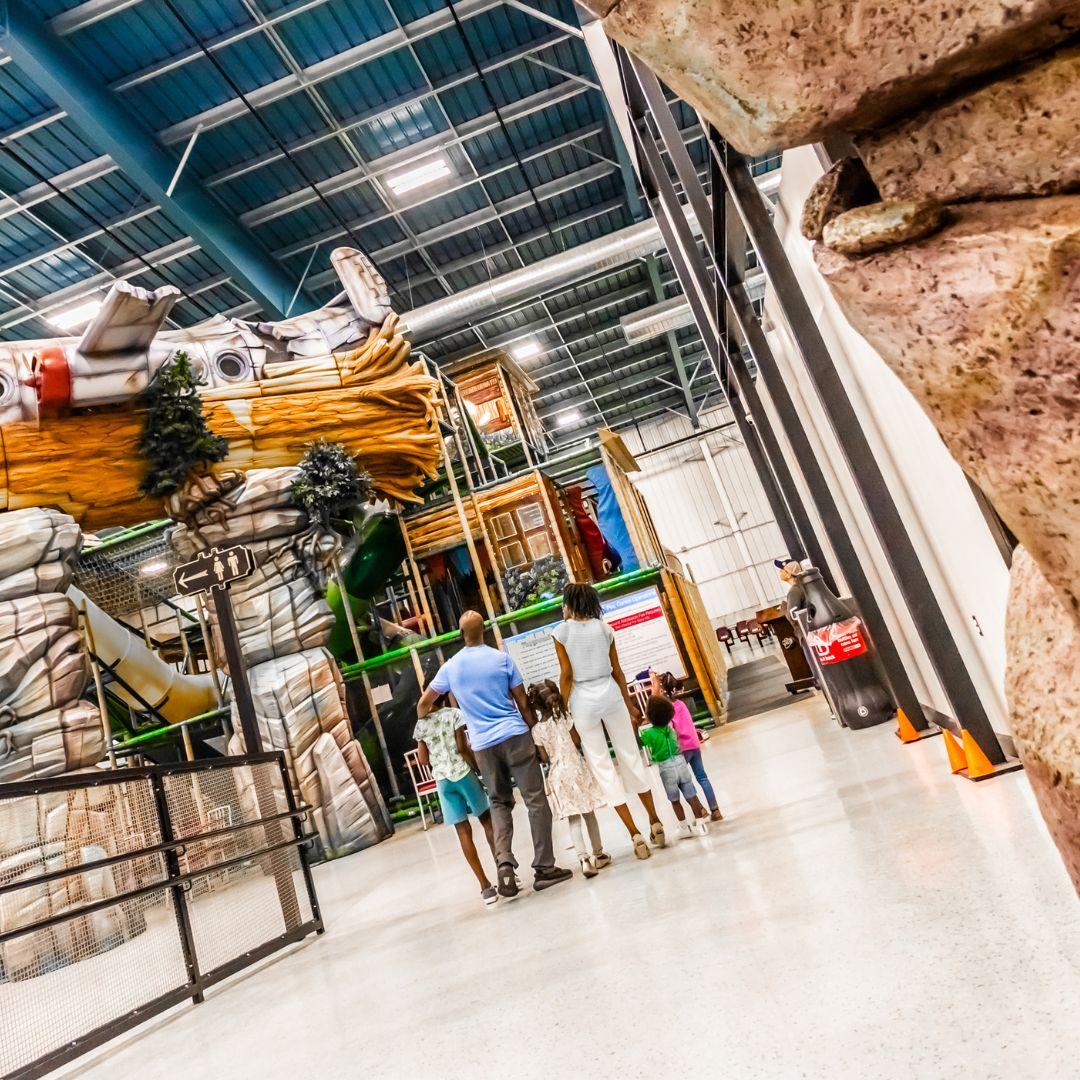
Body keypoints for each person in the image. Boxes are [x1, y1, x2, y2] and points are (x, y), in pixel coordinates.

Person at [416, 611, 572, 898]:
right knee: (536, 800)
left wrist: (430, 721)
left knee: (499, 803)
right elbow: (523, 703)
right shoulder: (502, 659)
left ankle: (504, 866)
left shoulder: (450, 668)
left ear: (461, 634)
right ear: (484, 631)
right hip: (515, 735)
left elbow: (424, 704)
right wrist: (536, 739)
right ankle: (544, 869)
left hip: (483, 746)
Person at [552, 582, 663, 860]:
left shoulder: (561, 631)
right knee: (630, 756)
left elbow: (566, 674)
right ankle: (655, 821)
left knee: (602, 765)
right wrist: (629, 706)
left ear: (568, 604)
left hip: (582, 699)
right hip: (611, 694)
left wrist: (565, 708)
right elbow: (618, 670)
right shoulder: (605, 628)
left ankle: (635, 834)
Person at [413, 695, 501, 906]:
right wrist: (478, 769)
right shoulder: (454, 715)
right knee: (487, 821)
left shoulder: (421, 724)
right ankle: (504, 872)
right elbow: (463, 748)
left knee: (463, 832)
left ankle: (485, 887)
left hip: (443, 780)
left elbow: (423, 759)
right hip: (463, 773)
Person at [528, 682, 612, 879]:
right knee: (589, 813)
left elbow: (544, 758)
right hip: (577, 769)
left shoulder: (537, 730)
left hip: (558, 775)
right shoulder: (565, 718)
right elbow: (575, 741)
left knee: (573, 818)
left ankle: (583, 859)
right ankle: (598, 854)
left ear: (537, 706)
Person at [650, 671, 723, 822]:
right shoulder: (682, 705)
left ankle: (700, 809)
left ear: (663, 689)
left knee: (684, 782)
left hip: (681, 749)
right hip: (694, 745)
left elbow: (669, 729)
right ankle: (715, 810)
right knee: (702, 777)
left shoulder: (667, 708)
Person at [640, 696, 710, 837]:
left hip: (666, 767)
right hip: (680, 761)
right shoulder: (670, 728)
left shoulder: (649, 733)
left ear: (649, 716)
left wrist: (643, 722)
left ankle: (684, 827)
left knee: (675, 799)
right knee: (691, 795)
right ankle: (701, 824)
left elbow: (641, 740)